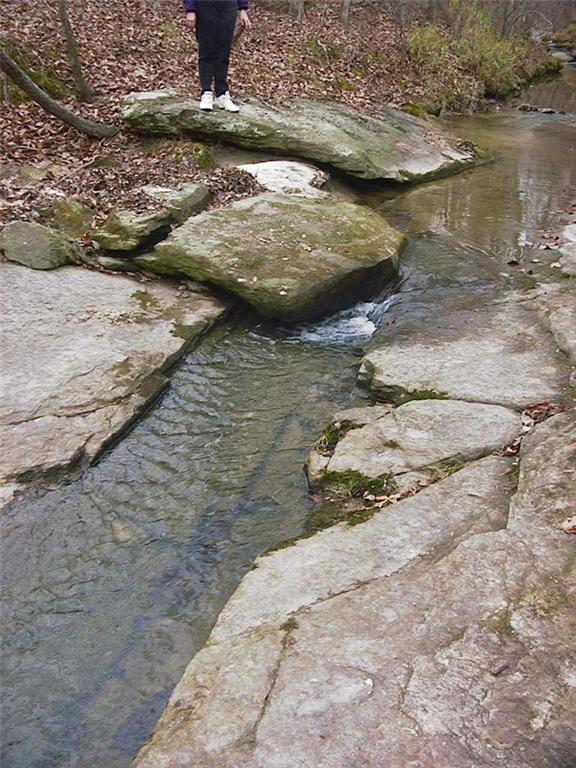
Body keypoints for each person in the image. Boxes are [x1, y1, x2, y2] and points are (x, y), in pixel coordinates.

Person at [184, 0, 252, 113]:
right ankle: (206, 92)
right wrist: (190, 9)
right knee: (206, 49)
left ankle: (222, 94)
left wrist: (243, 9)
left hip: (228, 5)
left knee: (223, 52)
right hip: (205, 5)